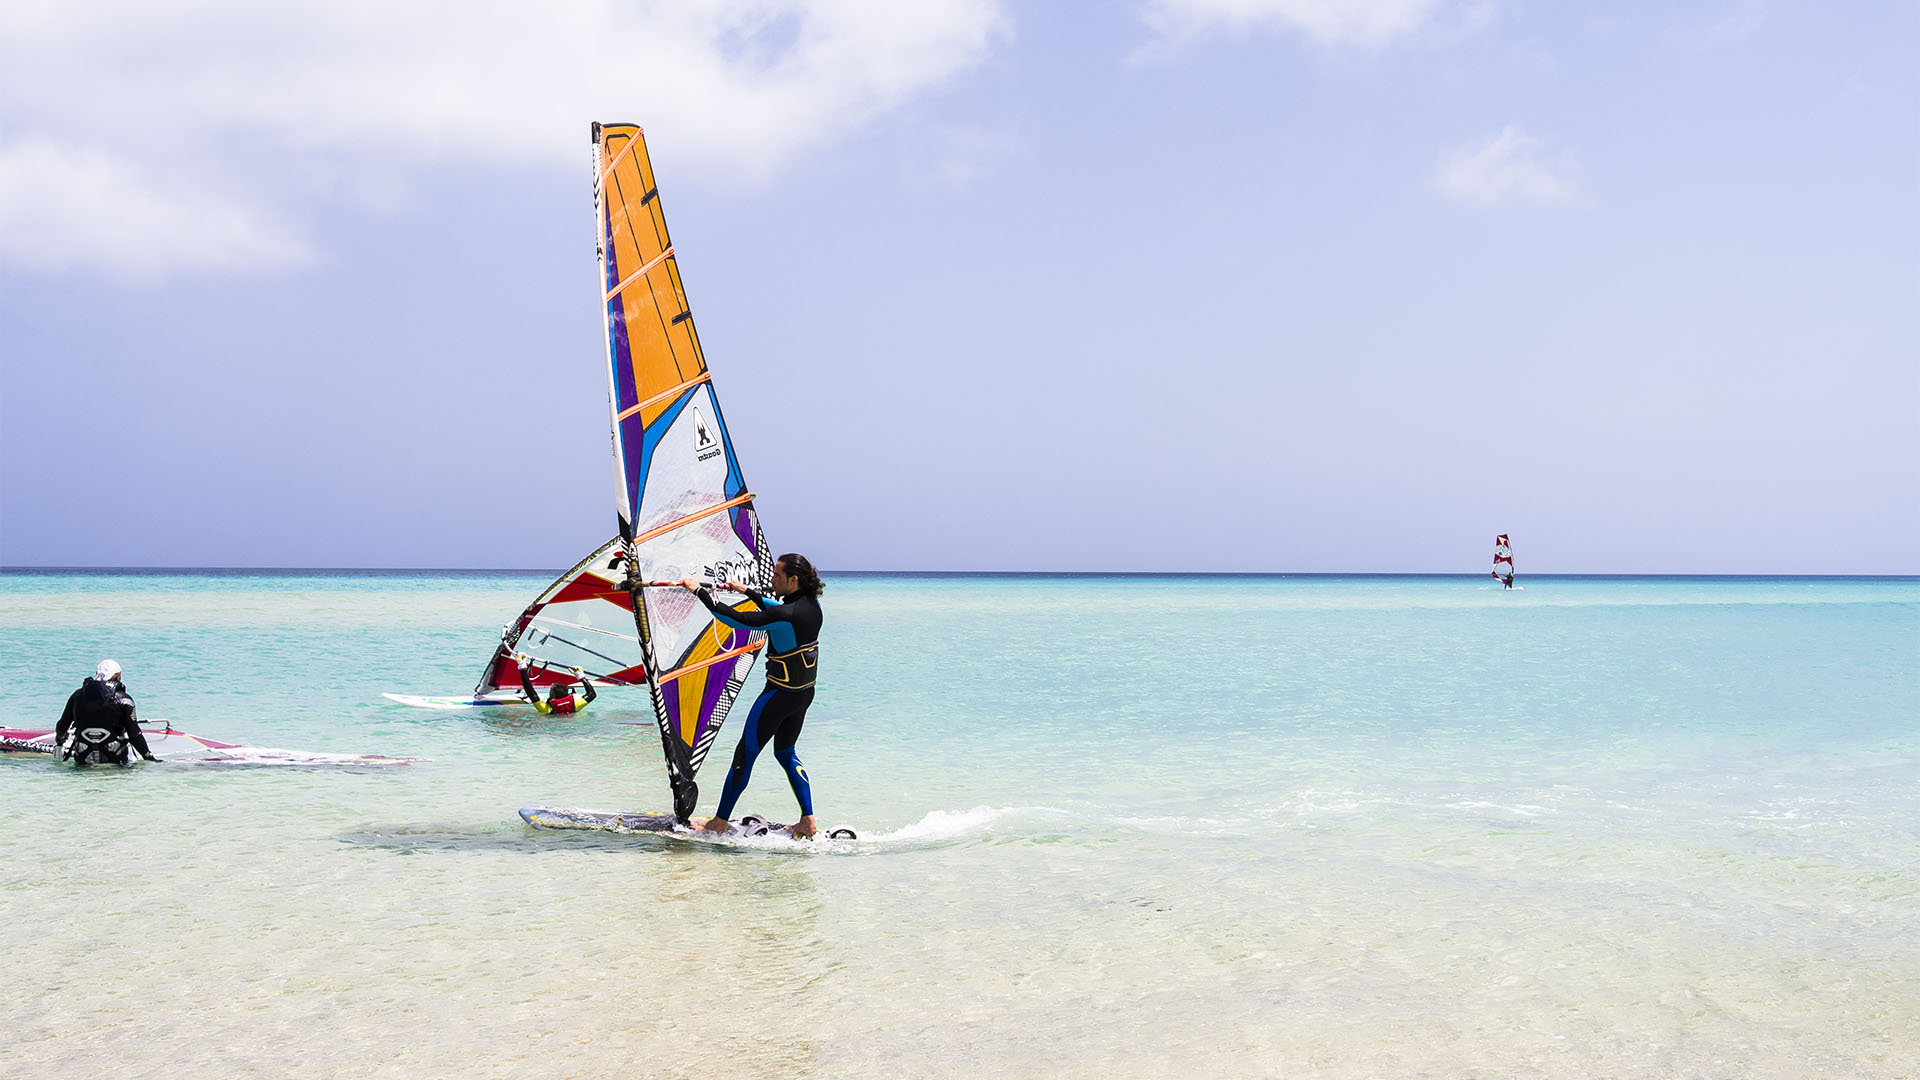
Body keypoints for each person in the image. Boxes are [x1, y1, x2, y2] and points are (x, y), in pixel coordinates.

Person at [680, 553, 824, 838]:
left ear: (793, 580)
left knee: (744, 754)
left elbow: (734, 620)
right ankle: (808, 821)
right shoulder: (812, 607)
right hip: (803, 695)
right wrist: (748, 592)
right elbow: (777, 610)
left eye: (777, 576)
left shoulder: (786, 615)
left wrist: (698, 591)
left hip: (778, 696)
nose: (772, 580)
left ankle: (718, 822)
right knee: (785, 752)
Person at [55, 660, 155, 766]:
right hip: (115, 760)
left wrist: (59, 742)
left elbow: (62, 726)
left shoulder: (77, 696)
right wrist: (149, 758)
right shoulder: (125, 700)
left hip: (83, 758)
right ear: (117, 676)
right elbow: (135, 735)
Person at [515, 656, 596, 715]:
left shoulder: (547, 709)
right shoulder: (576, 704)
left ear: (552, 695)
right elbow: (592, 694)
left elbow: (529, 690)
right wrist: (581, 676)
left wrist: (522, 667)